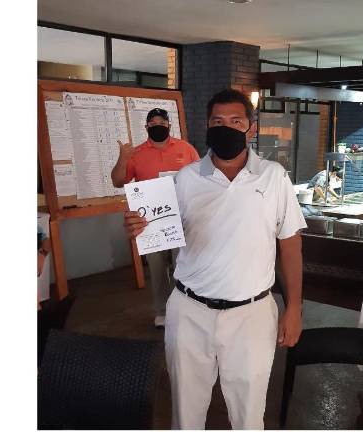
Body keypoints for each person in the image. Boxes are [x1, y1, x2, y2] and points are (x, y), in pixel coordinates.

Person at [124, 89, 306, 429]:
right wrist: (141, 226)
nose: (226, 128)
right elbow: (160, 227)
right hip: (189, 311)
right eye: (217, 121)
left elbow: (291, 244)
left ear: (251, 128)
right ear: (207, 126)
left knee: (249, 415)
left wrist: (294, 307)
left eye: (236, 121)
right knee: (186, 412)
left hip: (252, 314)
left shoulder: (274, 176)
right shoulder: (185, 178)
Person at [111, 108, 199, 329]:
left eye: (162, 122)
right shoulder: (137, 153)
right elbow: (118, 181)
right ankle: (162, 310)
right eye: (152, 123)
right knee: (157, 268)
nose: (157, 125)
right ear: (146, 127)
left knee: (183, 265)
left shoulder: (186, 149)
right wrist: (123, 158)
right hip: (149, 223)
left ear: (169, 125)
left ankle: (184, 308)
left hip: (181, 218)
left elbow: (200, 176)